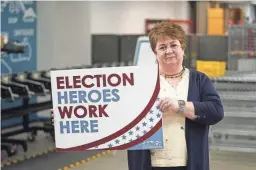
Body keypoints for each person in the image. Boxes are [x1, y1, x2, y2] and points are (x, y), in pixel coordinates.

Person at [127, 22, 224, 170]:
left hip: (189, 163)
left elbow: (216, 111)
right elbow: (125, 116)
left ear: (183, 48)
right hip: (150, 163)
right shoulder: (142, 82)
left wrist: (179, 106)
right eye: (162, 47)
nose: (169, 51)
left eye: (174, 45)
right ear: (155, 53)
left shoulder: (199, 80)